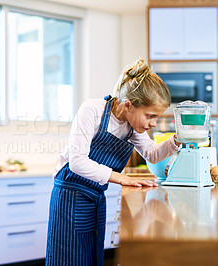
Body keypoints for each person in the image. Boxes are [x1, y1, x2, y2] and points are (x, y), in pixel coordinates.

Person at [45, 59, 181, 266]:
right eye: (150, 116)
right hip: (70, 195)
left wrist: (177, 140)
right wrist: (122, 179)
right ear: (128, 105)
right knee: (68, 258)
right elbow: (77, 162)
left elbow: (152, 154)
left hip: (95, 196)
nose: (153, 123)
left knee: (90, 256)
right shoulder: (93, 110)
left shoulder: (132, 125)